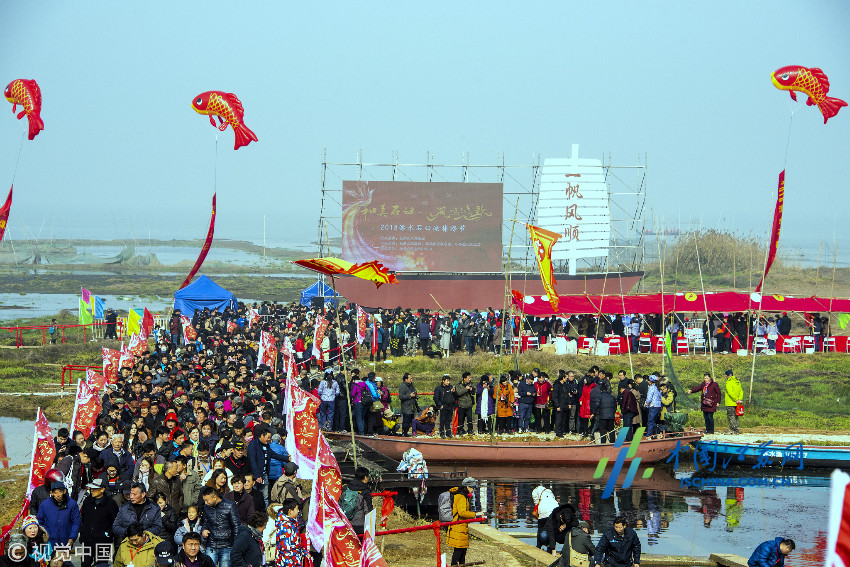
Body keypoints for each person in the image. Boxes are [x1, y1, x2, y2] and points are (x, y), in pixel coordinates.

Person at [78, 478, 118, 567]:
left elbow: (115, 522)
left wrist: (107, 535)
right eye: (91, 489)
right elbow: (83, 518)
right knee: (85, 564)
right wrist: (83, 532)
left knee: (101, 565)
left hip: (103, 542)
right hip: (87, 541)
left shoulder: (111, 503)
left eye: (95, 489)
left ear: (102, 489)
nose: (92, 491)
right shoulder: (87, 501)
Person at [447, 478, 484, 566]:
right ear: (467, 487)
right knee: (459, 551)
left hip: (460, 526)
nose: (473, 490)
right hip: (458, 526)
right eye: (472, 487)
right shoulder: (462, 497)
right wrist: (475, 514)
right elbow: (462, 512)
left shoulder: (460, 495)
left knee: (462, 551)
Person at [200, 486, 241, 567]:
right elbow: (205, 522)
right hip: (211, 544)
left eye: (207, 500)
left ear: (214, 497)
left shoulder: (230, 506)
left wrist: (235, 545)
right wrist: (204, 529)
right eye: (204, 500)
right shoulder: (206, 507)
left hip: (227, 545)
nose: (205, 502)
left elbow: (236, 526)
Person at [36, 481, 81, 549]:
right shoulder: (45, 505)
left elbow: (76, 522)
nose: (58, 495)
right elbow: (39, 521)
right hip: (49, 541)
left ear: (64, 491)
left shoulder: (72, 504)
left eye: (60, 491)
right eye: (55, 492)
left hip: (66, 540)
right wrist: (45, 535)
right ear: (51, 493)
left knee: (65, 559)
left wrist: (72, 538)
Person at [275, 498, 308, 567]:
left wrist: (304, 552)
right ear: (290, 511)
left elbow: (295, 543)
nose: (298, 511)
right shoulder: (285, 526)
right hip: (289, 563)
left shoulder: (292, 522)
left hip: (294, 560)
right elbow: (285, 549)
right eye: (297, 509)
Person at [340, 466, 373, 535]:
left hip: (345, 523)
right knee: (359, 544)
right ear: (365, 477)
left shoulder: (346, 488)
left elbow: (340, 503)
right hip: (359, 525)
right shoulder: (365, 491)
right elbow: (368, 509)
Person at [532, 485, 559, 551]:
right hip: (555, 509)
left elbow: (536, 505)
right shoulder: (549, 492)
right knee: (553, 529)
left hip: (543, 510)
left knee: (541, 529)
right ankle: (552, 547)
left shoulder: (535, 492)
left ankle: (539, 546)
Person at [433, 375, 457, 439]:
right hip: (443, 406)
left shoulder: (451, 387)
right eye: (447, 381)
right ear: (443, 381)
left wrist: (454, 392)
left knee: (448, 421)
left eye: (449, 381)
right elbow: (436, 398)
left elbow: (455, 396)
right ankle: (442, 433)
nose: (448, 382)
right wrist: (440, 405)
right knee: (442, 421)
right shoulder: (439, 388)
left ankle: (448, 433)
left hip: (450, 406)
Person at [723, 369, 744, 435]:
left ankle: (735, 430)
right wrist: (739, 399)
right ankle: (733, 429)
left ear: (728, 375)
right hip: (737, 403)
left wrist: (735, 399)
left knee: (731, 417)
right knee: (736, 416)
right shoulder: (737, 381)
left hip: (730, 402)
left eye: (726, 375)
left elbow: (730, 392)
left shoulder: (728, 382)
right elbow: (741, 391)